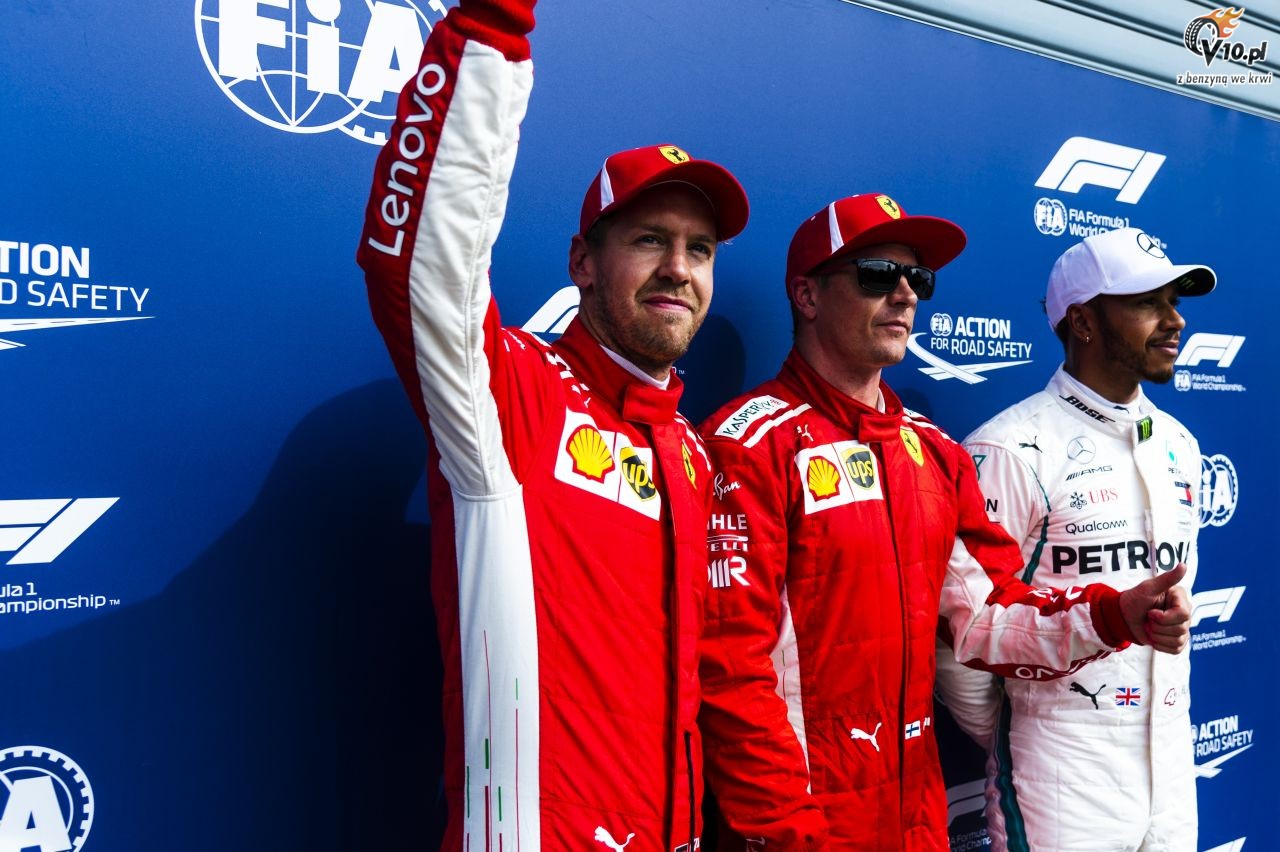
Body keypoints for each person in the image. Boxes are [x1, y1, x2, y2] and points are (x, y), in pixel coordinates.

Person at [357, 0, 749, 847]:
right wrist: (491, 33)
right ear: (582, 263)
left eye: (700, 249)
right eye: (649, 240)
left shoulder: (691, 451)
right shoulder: (514, 394)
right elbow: (424, 265)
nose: (678, 269)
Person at [696, 195, 1191, 850]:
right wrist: (787, 832)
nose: (905, 294)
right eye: (878, 274)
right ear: (808, 295)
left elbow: (989, 616)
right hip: (804, 824)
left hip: (916, 816)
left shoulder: (934, 452)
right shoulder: (748, 444)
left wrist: (1112, 615)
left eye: (918, 279)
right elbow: (731, 670)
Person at [935, 227, 1213, 851]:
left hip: (1172, 767)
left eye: (1173, 302)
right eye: (1147, 302)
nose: (1174, 321)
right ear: (1083, 322)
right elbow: (962, 637)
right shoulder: (1008, 447)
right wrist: (1030, 722)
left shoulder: (1180, 444)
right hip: (1061, 774)